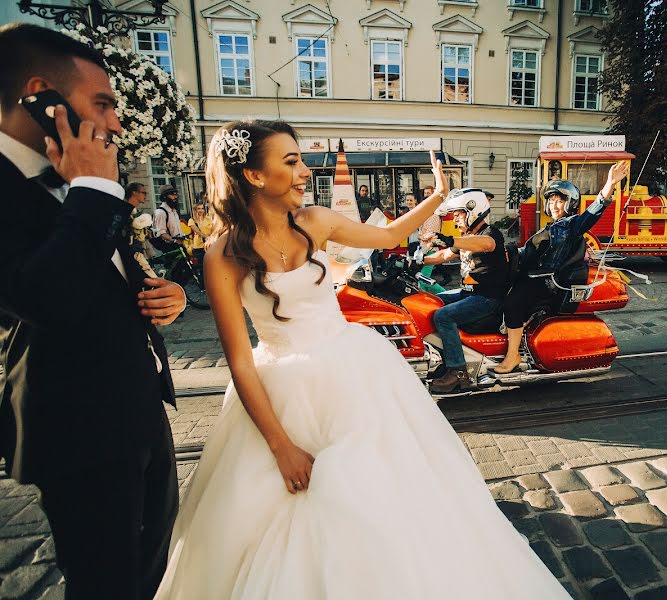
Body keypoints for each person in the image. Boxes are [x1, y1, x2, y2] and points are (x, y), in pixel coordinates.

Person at [153, 121, 568, 599]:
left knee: (378, 497)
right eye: (290, 161)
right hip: (281, 392)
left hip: (354, 374)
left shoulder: (315, 221)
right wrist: (281, 447)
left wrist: (437, 196)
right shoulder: (221, 255)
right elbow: (241, 364)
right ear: (253, 176)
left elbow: (390, 236)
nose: (305, 170)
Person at [0, 23, 186, 600]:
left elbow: (100, 278)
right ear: (41, 95)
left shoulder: (73, 177)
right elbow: (42, 297)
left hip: (139, 411)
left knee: (151, 569)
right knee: (106, 584)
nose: (116, 122)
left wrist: (163, 297)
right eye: (102, 102)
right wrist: (92, 190)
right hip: (77, 426)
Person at [493, 162, 629, 374]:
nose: (555, 205)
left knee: (512, 303)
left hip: (547, 282)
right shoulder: (551, 226)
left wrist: (609, 184)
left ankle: (512, 356)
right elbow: (530, 253)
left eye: (560, 201)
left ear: (569, 203)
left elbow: (592, 213)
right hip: (530, 275)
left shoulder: (571, 225)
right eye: (552, 201)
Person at [420, 189, 508, 393]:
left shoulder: (489, 233)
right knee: (429, 300)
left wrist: (447, 239)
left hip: (488, 298)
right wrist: (414, 260)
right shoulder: (467, 236)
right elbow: (442, 256)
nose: (456, 219)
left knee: (443, 316)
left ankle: (458, 372)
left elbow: (486, 245)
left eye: (459, 215)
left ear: (473, 211)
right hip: (468, 293)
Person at [151, 184, 181, 252]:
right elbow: (161, 233)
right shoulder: (161, 212)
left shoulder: (174, 211)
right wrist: (174, 240)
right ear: (164, 196)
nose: (175, 197)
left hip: (178, 245)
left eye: (175, 194)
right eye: (172, 195)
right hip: (168, 247)